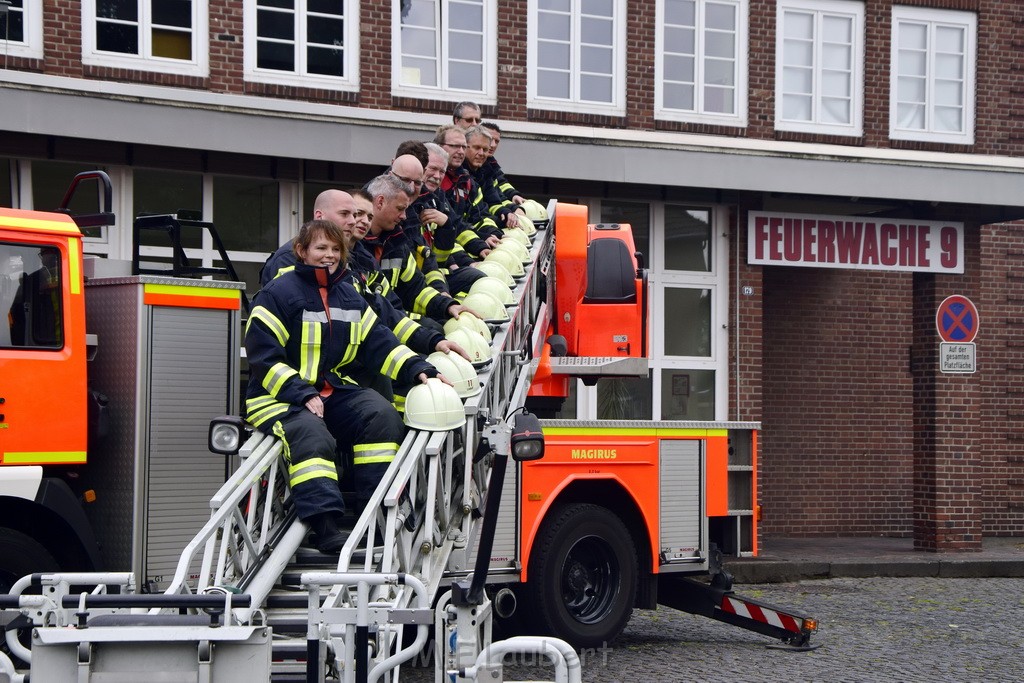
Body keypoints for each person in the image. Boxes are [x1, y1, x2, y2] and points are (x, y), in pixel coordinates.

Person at [245, 218, 439, 554]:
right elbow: (263, 359)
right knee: (312, 434)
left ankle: (373, 514)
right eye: (321, 248)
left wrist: (418, 368)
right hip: (277, 396)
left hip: (330, 391)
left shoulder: (348, 295)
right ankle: (326, 526)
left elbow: (379, 342)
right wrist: (301, 392)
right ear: (301, 251)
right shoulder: (277, 293)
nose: (329, 255)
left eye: (336, 249)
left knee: (381, 414)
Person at [434, 124, 503, 259]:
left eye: (463, 147)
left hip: (460, 249)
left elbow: (479, 214)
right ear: (439, 146)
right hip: (445, 256)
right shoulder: (434, 182)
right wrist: (479, 243)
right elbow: (452, 224)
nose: (460, 151)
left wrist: (493, 234)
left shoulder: (466, 179)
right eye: (455, 146)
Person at [463, 125, 520, 229]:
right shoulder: (460, 176)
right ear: (465, 147)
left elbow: (493, 202)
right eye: (476, 148)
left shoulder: (486, 171)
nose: (481, 153)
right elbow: (474, 216)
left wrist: (506, 213)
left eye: (485, 149)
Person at [480, 121, 526, 206]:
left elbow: (502, 183)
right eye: (490, 139)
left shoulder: (492, 163)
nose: (493, 145)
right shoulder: (475, 165)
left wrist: (514, 195)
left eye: (497, 141)